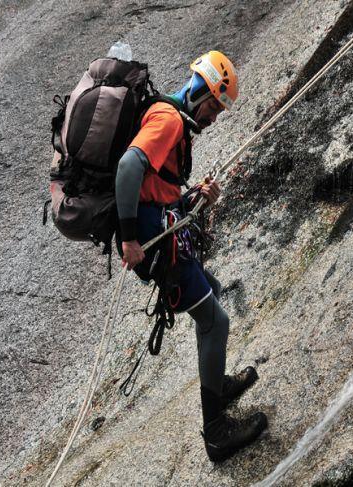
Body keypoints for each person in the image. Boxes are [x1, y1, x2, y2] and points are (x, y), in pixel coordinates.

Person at [115, 51, 268, 462]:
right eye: (215, 106)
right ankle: (216, 433)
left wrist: (191, 197)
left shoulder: (173, 120)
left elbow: (155, 188)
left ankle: (216, 382)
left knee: (212, 295)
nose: (214, 117)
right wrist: (129, 239)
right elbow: (129, 168)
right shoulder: (167, 121)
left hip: (160, 229)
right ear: (200, 90)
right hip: (154, 242)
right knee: (215, 321)